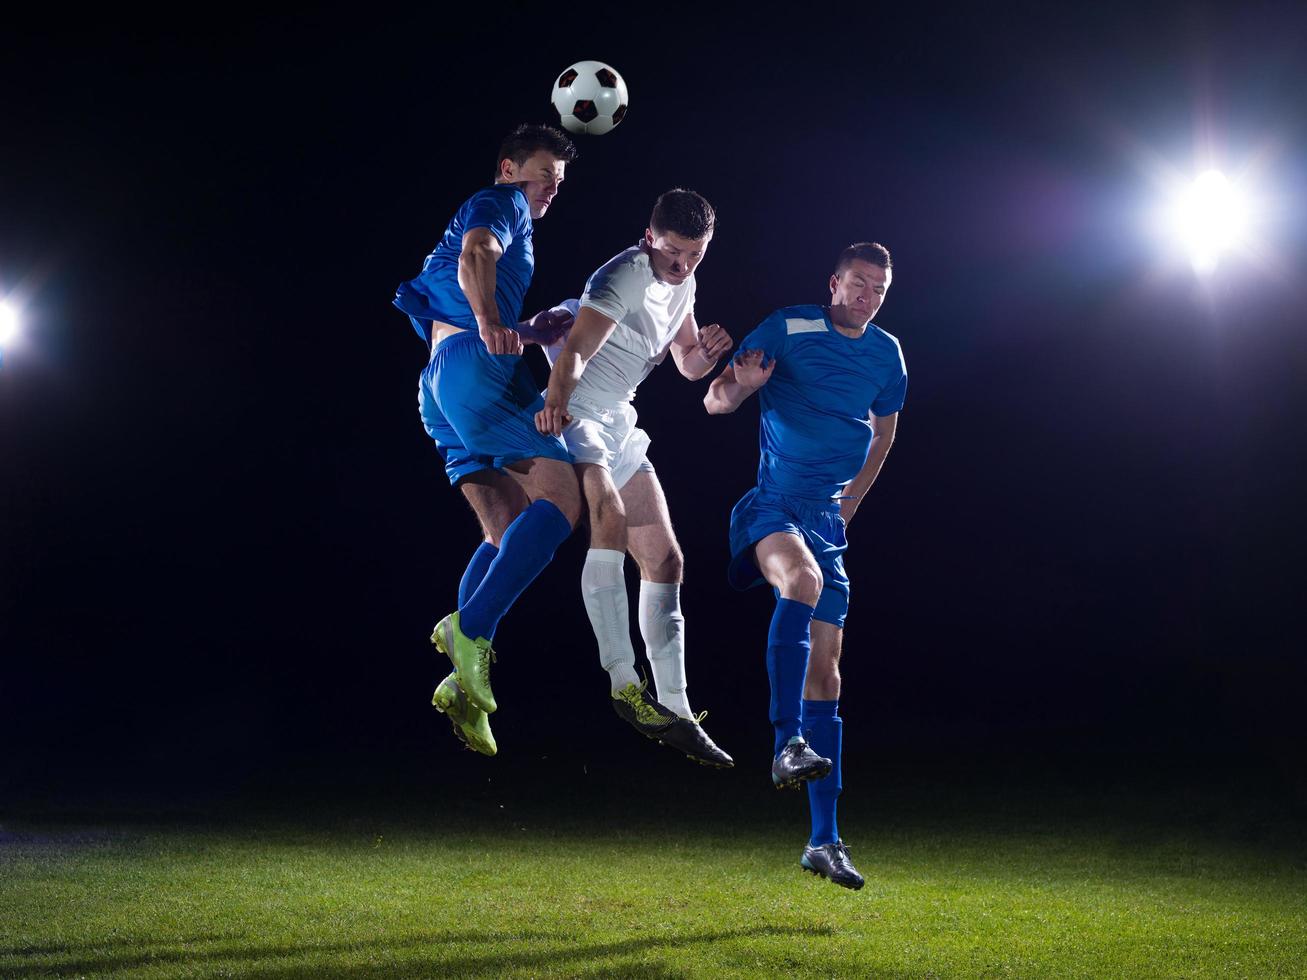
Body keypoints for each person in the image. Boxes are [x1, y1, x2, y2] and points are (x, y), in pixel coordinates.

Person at [704, 242, 906, 890]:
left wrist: (849, 506)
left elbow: (884, 432)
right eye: (856, 283)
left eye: (877, 288)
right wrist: (743, 384)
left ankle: (823, 841)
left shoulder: (887, 353)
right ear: (833, 282)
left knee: (828, 672)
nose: (865, 295)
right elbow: (715, 399)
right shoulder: (789, 325)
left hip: (825, 519)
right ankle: (784, 740)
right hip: (772, 505)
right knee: (801, 580)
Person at [392, 123, 583, 758]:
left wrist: (528, 329)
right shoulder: (497, 203)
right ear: (508, 169)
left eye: (557, 185)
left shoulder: (511, 211)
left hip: (440, 383)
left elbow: (467, 293)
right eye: (541, 179)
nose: (549, 191)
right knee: (562, 500)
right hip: (475, 371)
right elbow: (477, 254)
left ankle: (466, 687)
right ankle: (468, 632)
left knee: (504, 533)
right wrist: (494, 322)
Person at [535, 189, 734, 768]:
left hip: (620, 418)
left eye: (695, 256)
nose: (682, 266)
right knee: (610, 520)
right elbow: (573, 351)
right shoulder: (621, 276)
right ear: (650, 238)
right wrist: (554, 405)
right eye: (673, 254)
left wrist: (713, 354)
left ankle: (676, 710)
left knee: (666, 558)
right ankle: (624, 682)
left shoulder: (686, 282)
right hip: (577, 411)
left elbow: (688, 362)